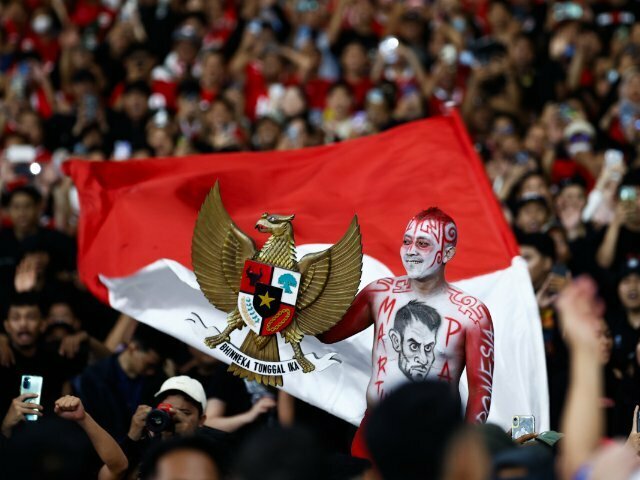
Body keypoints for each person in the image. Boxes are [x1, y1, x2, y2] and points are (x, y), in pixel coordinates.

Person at [320, 207, 494, 456]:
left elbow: (480, 389)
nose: (411, 251)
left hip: (433, 440)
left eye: (423, 243)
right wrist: (295, 302)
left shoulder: (472, 315)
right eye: (407, 241)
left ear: (448, 252)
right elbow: (327, 335)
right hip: (375, 431)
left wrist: (466, 449)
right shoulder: (378, 293)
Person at [72, 323, 169, 441]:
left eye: (156, 366)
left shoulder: (159, 381)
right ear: (133, 347)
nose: (151, 372)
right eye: (149, 365)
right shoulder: (95, 377)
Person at [0, 292, 75, 417]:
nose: (23, 324)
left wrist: (85, 337)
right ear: (7, 326)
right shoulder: (3, 358)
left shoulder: (56, 357)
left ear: (43, 324)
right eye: (16, 318)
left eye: (31, 317)